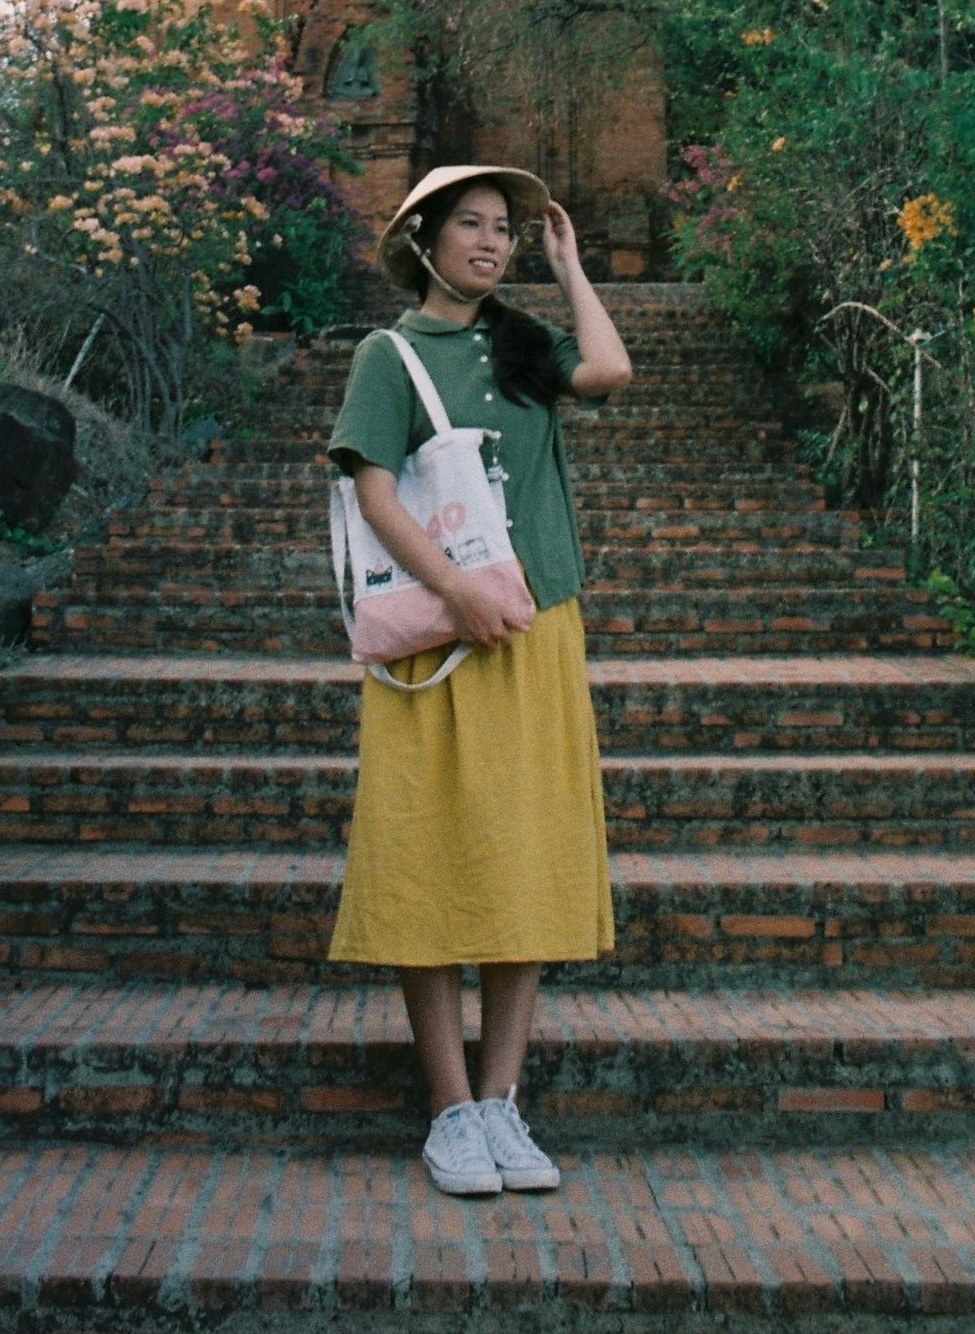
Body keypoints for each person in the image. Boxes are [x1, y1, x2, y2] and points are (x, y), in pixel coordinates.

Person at [325, 163, 631, 1198]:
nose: (492, 243)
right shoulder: (390, 353)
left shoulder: (519, 344)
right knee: (427, 854)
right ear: (424, 239)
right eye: (473, 225)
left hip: (537, 627)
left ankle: (503, 1104)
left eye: (505, 229)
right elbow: (373, 492)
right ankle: (451, 1112)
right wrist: (454, 590)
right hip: (439, 635)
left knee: (523, 858)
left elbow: (610, 370)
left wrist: (571, 267)